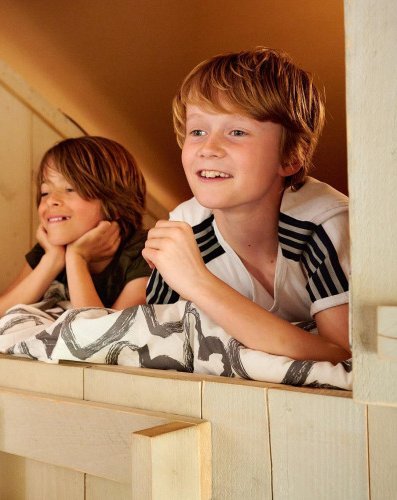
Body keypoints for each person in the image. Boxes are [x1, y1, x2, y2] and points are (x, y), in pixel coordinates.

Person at [142, 47, 351, 364]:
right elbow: (155, 345)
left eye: (237, 131)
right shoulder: (184, 228)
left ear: (290, 157)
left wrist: (198, 282)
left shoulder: (325, 222)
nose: (208, 148)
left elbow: (346, 358)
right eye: (197, 131)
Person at [0, 136, 151, 323]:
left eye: (70, 189)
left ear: (116, 202)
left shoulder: (144, 251)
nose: (50, 200)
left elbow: (101, 337)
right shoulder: (51, 249)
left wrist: (77, 258)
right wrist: (52, 260)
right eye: (45, 192)